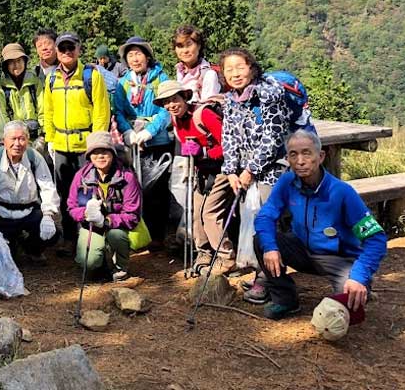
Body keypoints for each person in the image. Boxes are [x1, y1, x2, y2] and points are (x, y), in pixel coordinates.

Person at [253, 130, 387, 319]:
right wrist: (270, 247)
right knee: (261, 240)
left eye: (307, 153)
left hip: (338, 260)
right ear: (287, 158)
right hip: (303, 251)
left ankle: (361, 285)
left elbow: (376, 238)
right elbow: (265, 216)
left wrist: (359, 275)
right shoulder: (287, 182)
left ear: (321, 156)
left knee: (346, 308)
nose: (300, 161)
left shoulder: (342, 192)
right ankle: (285, 300)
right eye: (293, 154)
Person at [219, 47, 291, 303]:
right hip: (245, 171)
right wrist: (231, 171)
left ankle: (270, 281)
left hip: (273, 170)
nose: (235, 74)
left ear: (251, 67)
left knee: (267, 222)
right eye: (229, 69)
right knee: (251, 219)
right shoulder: (230, 99)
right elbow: (228, 137)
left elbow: (274, 138)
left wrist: (250, 170)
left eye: (240, 67)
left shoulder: (269, 95)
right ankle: (264, 273)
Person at [154, 80, 234, 273]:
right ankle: (204, 252)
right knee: (196, 212)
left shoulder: (203, 114)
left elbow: (229, 145)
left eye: (175, 99)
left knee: (210, 212)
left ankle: (225, 257)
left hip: (223, 170)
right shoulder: (175, 119)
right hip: (202, 171)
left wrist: (203, 152)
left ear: (184, 97)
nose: (171, 105)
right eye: (166, 102)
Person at [43, 32, 111, 254]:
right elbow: (48, 110)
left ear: (79, 49)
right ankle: (70, 238)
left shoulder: (92, 75)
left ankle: (89, 238)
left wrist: (97, 145)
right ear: (57, 52)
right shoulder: (51, 78)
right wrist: (50, 140)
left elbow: (102, 111)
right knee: (65, 194)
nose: (66, 52)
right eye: (62, 49)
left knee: (89, 192)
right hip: (61, 146)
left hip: (85, 147)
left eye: (70, 48)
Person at [0, 121, 60, 264]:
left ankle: (32, 249)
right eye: (13, 139)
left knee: (52, 235)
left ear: (27, 140)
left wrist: (48, 215)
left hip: (28, 212)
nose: (17, 143)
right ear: (4, 141)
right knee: (5, 257)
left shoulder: (35, 158)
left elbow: (47, 188)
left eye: (22, 139)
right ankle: (12, 243)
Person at [114, 37, 172, 249]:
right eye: (130, 55)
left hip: (156, 142)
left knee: (157, 190)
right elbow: (118, 110)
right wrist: (127, 132)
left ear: (148, 57)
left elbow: (166, 108)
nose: (135, 59)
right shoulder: (123, 83)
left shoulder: (160, 79)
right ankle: (137, 232)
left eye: (138, 54)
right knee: (133, 187)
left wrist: (150, 131)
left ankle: (157, 235)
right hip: (132, 142)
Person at [67, 131, 141, 281]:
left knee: (116, 235)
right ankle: (100, 261)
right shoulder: (81, 177)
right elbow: (72, 207)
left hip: (117, 226)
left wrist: (106, 221)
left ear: (113, 154)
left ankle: (121, 266)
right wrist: (86, 213)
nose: (100, 156)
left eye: (105, 152)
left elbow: (132, 215)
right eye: (95, 152)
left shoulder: (127, 178)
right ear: (89, 157)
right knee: (88, 262)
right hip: (91, 225)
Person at [0, 43, 42, 140]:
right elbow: (2, 112)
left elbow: (43, 109)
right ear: (6, 65)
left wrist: (43, 134)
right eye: (11, 62)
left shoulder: (34, 80)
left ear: (24, 62)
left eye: (19, 61)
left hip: (35, 133)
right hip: (13, 135)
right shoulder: (1, 84)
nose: (16, 65)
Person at [173, 25, 221, 102]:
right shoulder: (180, 70)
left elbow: (208, 107)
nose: (185, 51)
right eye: (180, 46)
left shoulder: (208, 74)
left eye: (189, 45)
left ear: (199, 46)